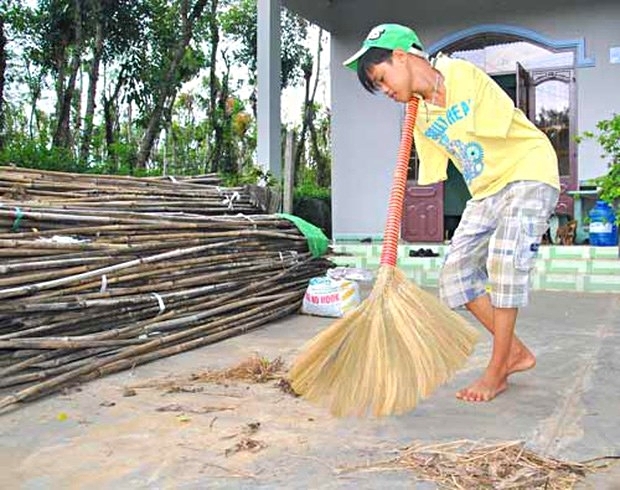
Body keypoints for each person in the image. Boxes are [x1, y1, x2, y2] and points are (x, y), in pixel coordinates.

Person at [343, 23, 560, 402]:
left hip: (528, 169)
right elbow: (432, 176)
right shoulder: (419, 119)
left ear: (401, 56)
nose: (387, 91)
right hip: (486, 190)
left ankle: (497, 369)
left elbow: (487, 126)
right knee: (455, 276)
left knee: (505, 260)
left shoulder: (461, 73)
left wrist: (434, 99)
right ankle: (516, 351)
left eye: (383, 79)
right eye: (380, 87)